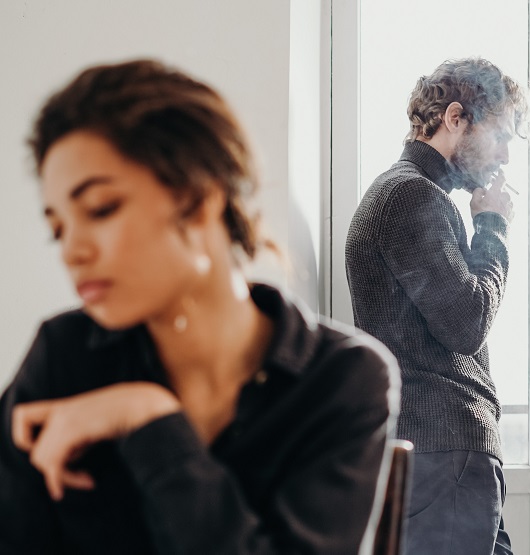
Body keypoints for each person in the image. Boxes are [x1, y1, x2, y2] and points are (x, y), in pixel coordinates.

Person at [0, 59, 399, 555]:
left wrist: (150, 419)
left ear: (199, 199)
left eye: (100, 209)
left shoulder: (345, 378)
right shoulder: (63, 353)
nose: (71, 251)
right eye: (57, 228)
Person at [345, 57, 529, 555]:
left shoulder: (414, 194)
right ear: (455, 118)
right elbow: (467, 322)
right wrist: (492, 227)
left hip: (445, 453)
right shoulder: (411, 196)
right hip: (443, 452)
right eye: (503, 135)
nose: (506, 157)